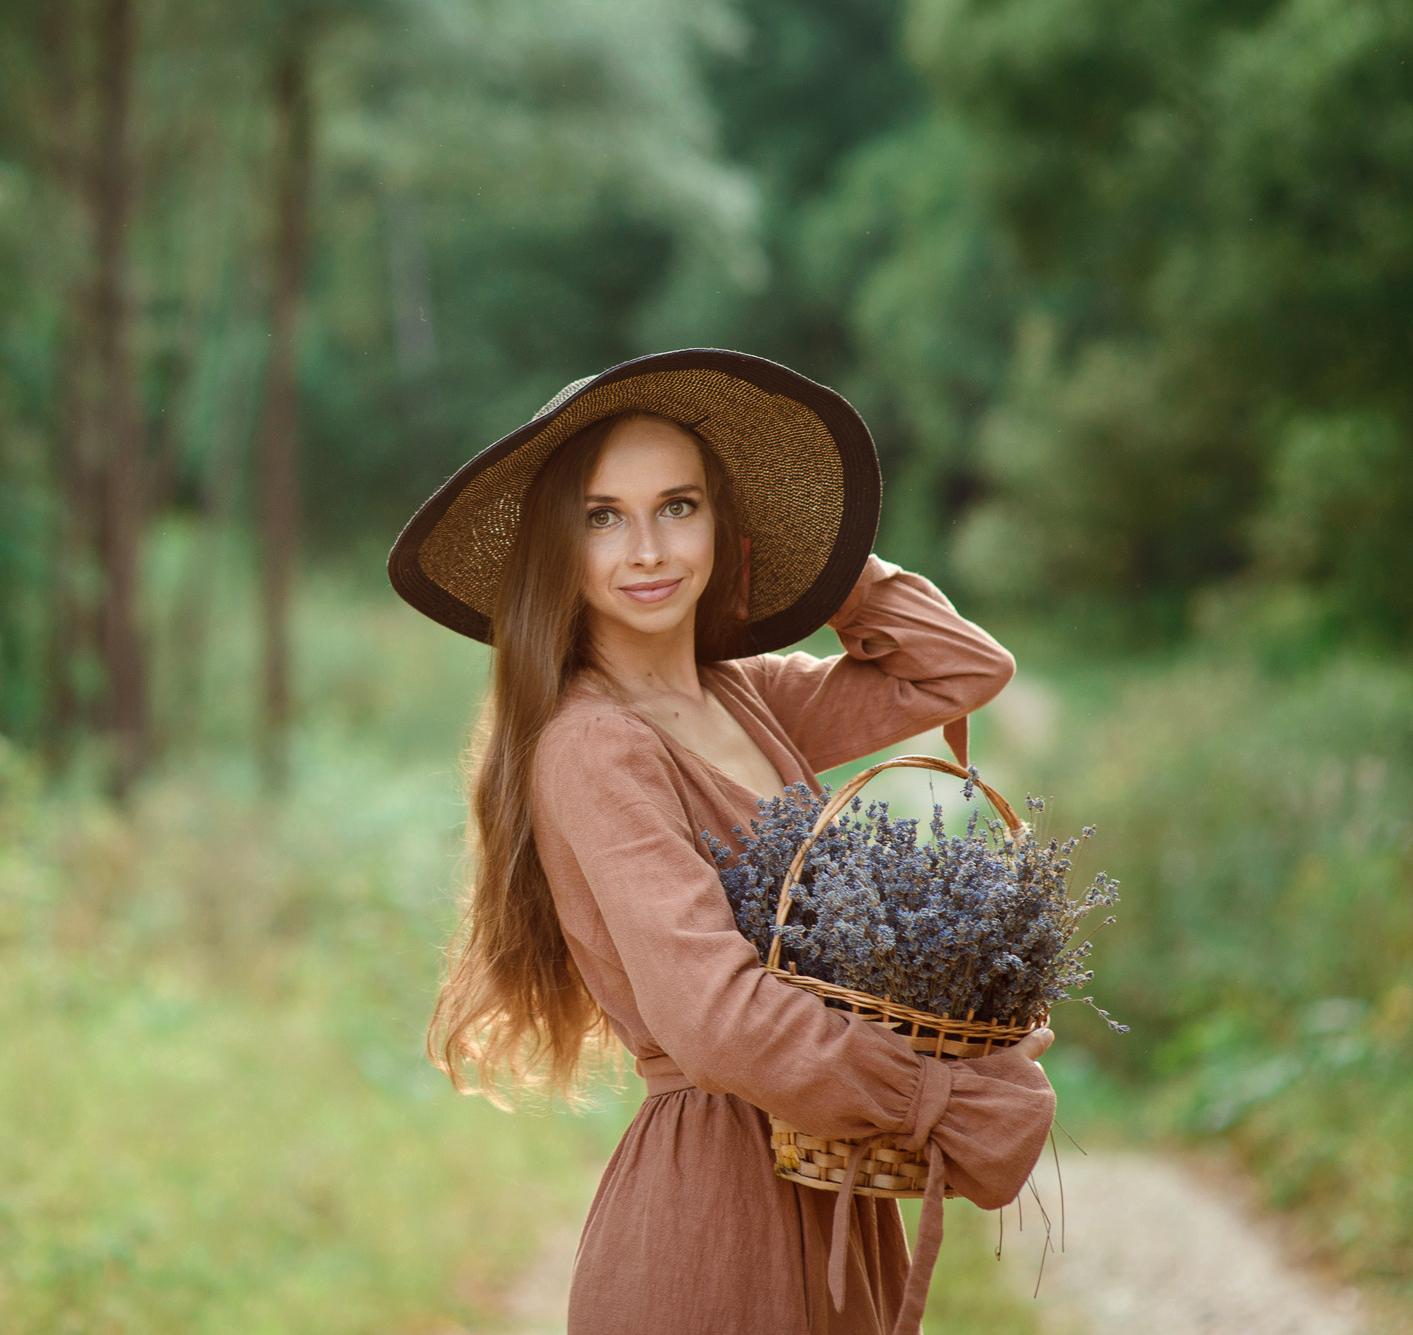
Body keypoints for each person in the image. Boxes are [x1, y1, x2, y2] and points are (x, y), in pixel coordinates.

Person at [387, 351, 1057, 1335]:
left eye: (678, 507)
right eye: (601, 517)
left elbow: (957, 668)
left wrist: (820, 562)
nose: (647, 550)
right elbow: (716, 1019)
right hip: (716, 1207)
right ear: (555, 548)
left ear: (719, 522)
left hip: (824, 1177)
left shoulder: (746, 693)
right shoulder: (592, 745)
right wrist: (927, 1094)